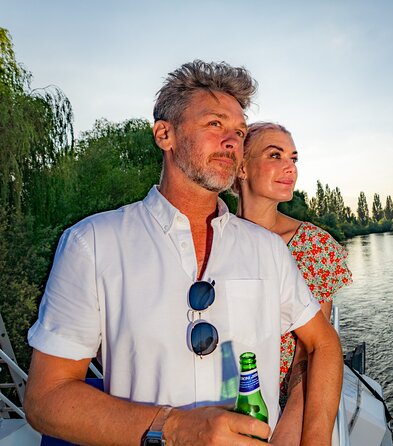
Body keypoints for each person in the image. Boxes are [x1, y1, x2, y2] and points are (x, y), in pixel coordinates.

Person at [24, 60, 343, 446]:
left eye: (239, 132)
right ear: (165, 134)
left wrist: (316, 439)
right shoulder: (91, 243)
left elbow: (323, 344)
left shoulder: (268, 249)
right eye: (215, 125)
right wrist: (174, 429)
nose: (232, 141)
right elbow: (46, 399)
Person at [234, 122, 351, 443]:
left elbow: (310, 352)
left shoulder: (313, 245)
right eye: (276, 155)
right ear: (241, 167)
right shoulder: (212, 237)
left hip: (283, 409)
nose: (291, 168)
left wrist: (290, 425)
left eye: (294, 158)